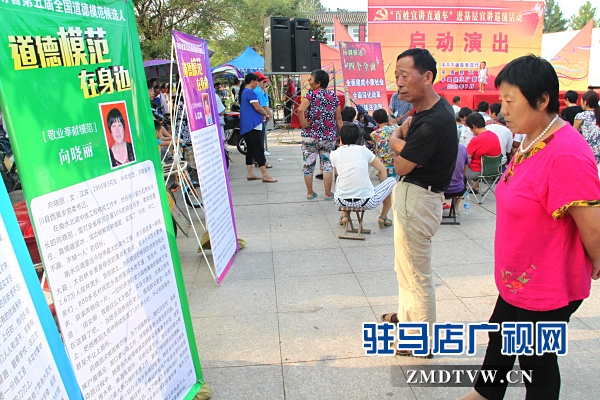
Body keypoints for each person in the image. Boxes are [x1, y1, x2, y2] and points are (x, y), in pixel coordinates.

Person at [459, 55, 600, 400]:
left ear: (542, 100)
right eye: (501, 100)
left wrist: (597, 259)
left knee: (537, 361)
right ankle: (485, 394)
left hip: (547, 285)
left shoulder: (565, 152)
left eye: (510, 101)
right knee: (500, 337)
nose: (502, 110)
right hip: (521, 277)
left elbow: (593, 226)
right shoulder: (530, 139)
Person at [382, 49, 458, 355]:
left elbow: (401, 165)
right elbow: (409, 137)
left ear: (427, 77)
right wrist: (404, 138)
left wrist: (394, 140)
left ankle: (419, 341)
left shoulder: (433, 121)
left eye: (404, 75)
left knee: (415, 275)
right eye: (396, 76)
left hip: (418, 198)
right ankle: (408, 321)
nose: (399, 83)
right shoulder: (431, 111)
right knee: (406, 269)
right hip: (418, 197)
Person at [330, 124, 396, 227]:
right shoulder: (364, 151)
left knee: (340, 178)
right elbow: (382, 169)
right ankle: (383, 216)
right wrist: (383, 190)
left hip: (341, 201)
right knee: (391, 181)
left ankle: (344, 215)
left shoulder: (334, 154)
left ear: (340, 137)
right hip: (366, 201)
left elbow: (338, 173)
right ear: (358, 138)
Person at [297, 69, 342, 200]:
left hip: (310, 136)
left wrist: (303, 123)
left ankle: (310, 193)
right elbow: (338, 118)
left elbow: (300, 110)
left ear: (318, 82)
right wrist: (342, 134)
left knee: (308, 165)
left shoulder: (310, 96)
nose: (309, 81)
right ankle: (328, 194)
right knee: (327, 165)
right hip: (328, 137)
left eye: (310, 79)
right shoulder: (334, 97)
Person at [240, 73, 277, 183]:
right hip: (253, 125)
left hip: (247, 125)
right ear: (252, 81)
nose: (257, 83)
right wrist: (266, 114)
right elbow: (257, 107)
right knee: (259, 149)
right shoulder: (250, 92)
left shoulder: (244, 92)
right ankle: (265, 175)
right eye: (256, 81)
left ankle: (250, 173)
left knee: (250, 149)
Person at [370, 108, 397, 227]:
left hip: (381, 166)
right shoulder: (395, 129)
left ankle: (383, 215)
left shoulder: (374, 134)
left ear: (375, 120)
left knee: (385, 190)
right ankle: (383, 216)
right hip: (394, 163)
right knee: (391, 190)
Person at [464, 112, 501, 182]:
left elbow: (465, 157)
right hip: (493, 172)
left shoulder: (476, 140)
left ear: (474, 126)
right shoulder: (494, 136)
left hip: (477, 173)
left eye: (470, 128)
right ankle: (474, 186)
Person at [574, 90, 600, 174]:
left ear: (585, 102)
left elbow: (574, 133)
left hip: (587, 151)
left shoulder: (581, 116)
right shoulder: (597, 114)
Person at [443, 143, 469, 212]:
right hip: (458, 189)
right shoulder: (462, 147)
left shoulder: (437, 146)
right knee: (464, 179)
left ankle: (438, 206)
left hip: (439, 189)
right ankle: (455, 208)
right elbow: (466, 166)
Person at [253, 72, 273, 159]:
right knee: (260, 139)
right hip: (260, 117)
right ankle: (260, 159)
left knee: (257, 139)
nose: (264, 83)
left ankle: (257, 158)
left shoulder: (251, 90)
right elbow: (263, 106)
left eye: (265, 81)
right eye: (262, 81)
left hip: (256, 117)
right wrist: (268, 114)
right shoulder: (257, 90)